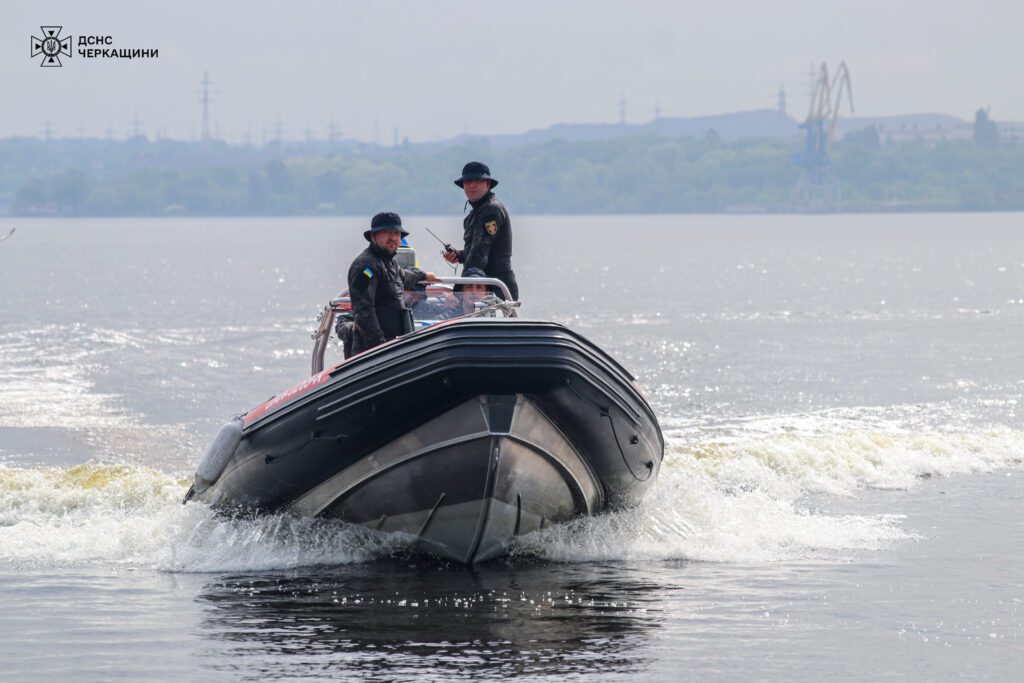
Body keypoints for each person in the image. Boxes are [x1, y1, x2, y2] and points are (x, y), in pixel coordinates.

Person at [343, 212, 439, 357]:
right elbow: (364, 312)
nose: (392, 237)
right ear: (373, 236)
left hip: (394, 346)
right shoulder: (365, 265)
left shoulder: (390, 262)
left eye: (396, 233)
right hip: (372, 352)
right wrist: (380, 349)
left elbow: (404, 276)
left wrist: (424, 275)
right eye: (386, 232)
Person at [443, 161, 519, 301]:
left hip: (496, 287)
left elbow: (479, 255)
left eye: (477, 181)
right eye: (468, 181)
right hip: (479, 287)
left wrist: (457, 293)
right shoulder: (473, 215)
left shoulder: (491, 209)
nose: (472, 185)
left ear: (488, 184)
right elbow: (476, 251)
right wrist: (459, 255)